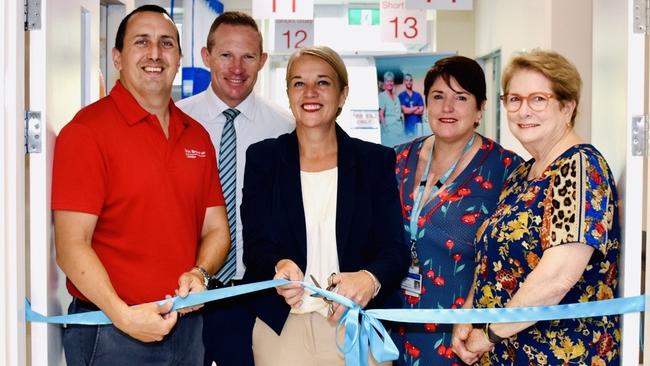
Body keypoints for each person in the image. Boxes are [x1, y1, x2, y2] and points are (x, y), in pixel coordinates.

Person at [51, 5, 230, 365]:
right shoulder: (86, 133)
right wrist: (124, 316)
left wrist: (200, 272)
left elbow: (216, 229)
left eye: (166, 43)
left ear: (179, 57)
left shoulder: (195, 135)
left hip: (187, 331)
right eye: (141, 42)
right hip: (111, 333)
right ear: (117, 57)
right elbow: (71, 246)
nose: (154, 54)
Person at [241, 46, 410, 365]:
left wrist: (369, 278)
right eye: (299, 83)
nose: (310, 93)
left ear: (343, 93)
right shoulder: (264, 159)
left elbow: (394, 250)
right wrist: (279, 265)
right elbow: (256, 246)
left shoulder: (374, 161)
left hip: (356, 324)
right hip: (282, 327)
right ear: (288, 93)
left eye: (323, 82)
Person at [452, 49, 621, 366]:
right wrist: (469, 315)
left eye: (538, 99)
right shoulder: (521, 174)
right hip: (503, 349)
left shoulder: (581, 167)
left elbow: (556, 278)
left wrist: (487, 334)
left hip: (559, 354)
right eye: (514, 99)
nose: (523, 111)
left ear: (567, 106)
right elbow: (492, 259)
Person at [177, 11, 294, 366]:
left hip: (255, 293)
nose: (237, 68)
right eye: (226, 54)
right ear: (205, 56)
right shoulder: (175, 122)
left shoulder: (286, 130)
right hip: (186, 294)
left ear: (262, 61)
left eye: (247, 56)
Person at [391, 56, 522, 366]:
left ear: (480, 108)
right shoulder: (396, 160)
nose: (447, 107)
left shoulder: (505, 170)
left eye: (461, 98)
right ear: (425, 104)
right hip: (392, 323)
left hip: (462, 335)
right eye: (438, 96)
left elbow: (508, 257)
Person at [379, 71, 404, 147]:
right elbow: (381, 114)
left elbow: (400, 113)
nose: (390, 83)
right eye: (388, 81)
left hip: (399, 131)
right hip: (389, 132)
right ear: (384, 83)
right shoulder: (382, 96)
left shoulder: (396, 97)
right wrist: (386, 131)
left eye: (391, 81)